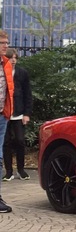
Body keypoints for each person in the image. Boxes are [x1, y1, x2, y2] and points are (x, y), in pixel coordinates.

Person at [3, 48, 32, 182]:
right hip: (5, 113)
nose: (13, 60)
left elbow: (28, 94)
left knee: (20, 141)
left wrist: (27, 113)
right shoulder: (2, 72)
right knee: (6, 142)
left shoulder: (22, 73)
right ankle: (9, 171)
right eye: (11, 57)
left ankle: (21, 169)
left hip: (19, 113)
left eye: (15, 58)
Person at [0, 30, 14, 213]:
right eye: (2, 43)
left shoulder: (6, 63)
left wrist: (7, 113)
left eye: (6, 42)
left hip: (1, 116)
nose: (6, 45)